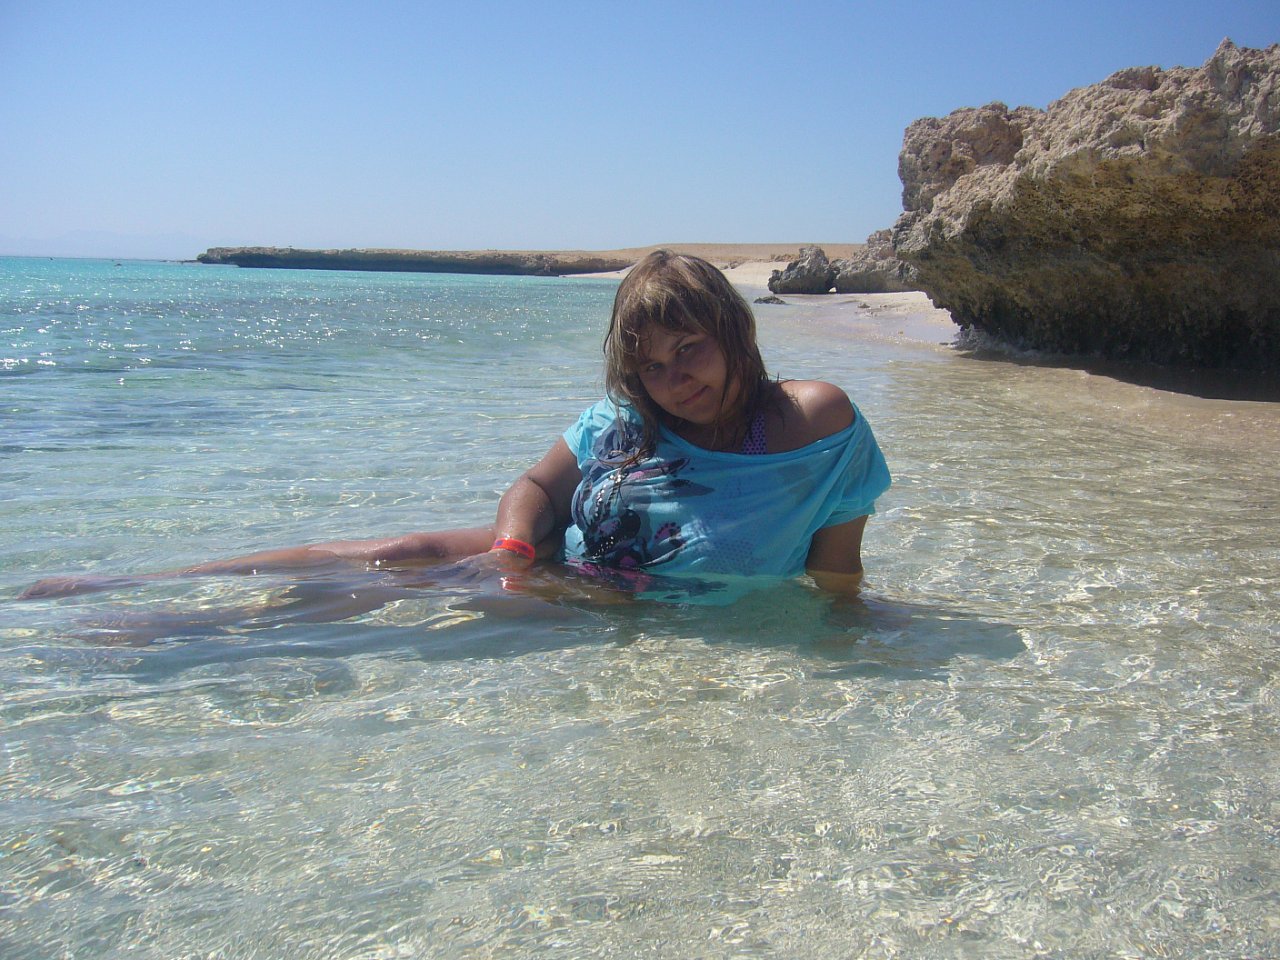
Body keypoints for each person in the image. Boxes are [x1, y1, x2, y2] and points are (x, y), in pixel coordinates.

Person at [21, 251, 890, 602]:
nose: (673, 380)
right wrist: (511, 552)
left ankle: (178, 637)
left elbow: (836, 573)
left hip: (600, 599)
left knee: (384, 614)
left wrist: (856, 643)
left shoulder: (815, 422)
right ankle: (135, 584)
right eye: (650, 365)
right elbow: (536, 488)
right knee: (399, 552)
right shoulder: (627, 420)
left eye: (689, 350)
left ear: (734, 333)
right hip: (551, 555)